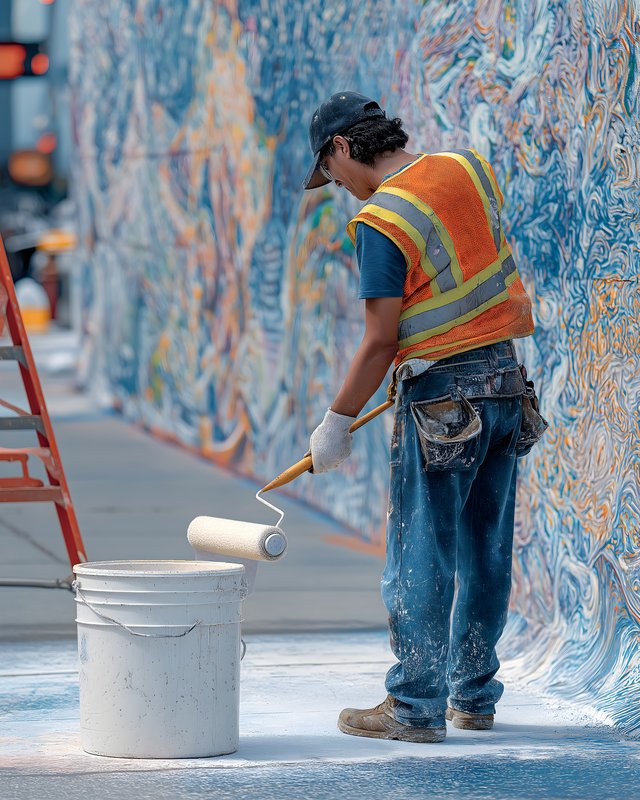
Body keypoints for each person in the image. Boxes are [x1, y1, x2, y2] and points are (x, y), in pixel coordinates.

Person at [302, 92, 546, 743]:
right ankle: (474, 696)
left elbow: (380, 338)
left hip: (442, 400)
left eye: (331, 173)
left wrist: (336, 421)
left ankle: (414, 706)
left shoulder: (383, 221)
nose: (339, 188)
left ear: (344, 149)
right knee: (486, 550)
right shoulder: (466, 168)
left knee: (421, 550)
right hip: (505, 383)